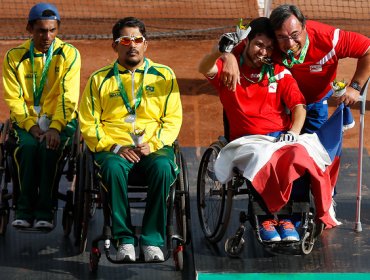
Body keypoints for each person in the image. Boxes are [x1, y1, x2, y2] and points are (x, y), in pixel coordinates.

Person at [79, 17, 182, 262]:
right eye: (125, 40)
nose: (132, 44)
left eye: (138, 39)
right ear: (115, 46)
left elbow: (173, 119)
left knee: (164, 167)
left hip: (153, 148)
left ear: (146, 44)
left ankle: (152, 240)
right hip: (113, 149)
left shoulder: (163, 75)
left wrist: (154, 144)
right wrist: (114, 147)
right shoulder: (99, 79)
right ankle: (124, 239)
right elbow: (88, 122)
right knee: (113, 169)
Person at [198, 17, 306, 242]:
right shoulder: (229, 72)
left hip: (280, 138)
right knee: (261, 158)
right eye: (259, 44)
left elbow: (298, 106)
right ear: (246, 42)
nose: (263, 52)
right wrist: (222, 53)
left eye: (268, 48)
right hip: (247, 143)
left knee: (300, 155)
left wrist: (294, 133)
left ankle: (288, 219)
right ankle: (265, 218)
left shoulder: (279, 72)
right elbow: (204, 67)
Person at [221, 4, 370, 133]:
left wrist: (356, 86)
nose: (290, 43)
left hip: (315, 102)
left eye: (295, 35)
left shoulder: (329, 39)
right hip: (278, 105)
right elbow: (231, 47)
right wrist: (229, 57)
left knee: (315, 151)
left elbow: (368, 50)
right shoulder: (270, 44)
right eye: (282, 37)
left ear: (304, 26)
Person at [2, 3, 81, 229]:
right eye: (41, 30)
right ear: (29, 29)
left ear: (58, 29)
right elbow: (14, 99)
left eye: (52, 30)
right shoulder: (14, 57)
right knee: (27, 149)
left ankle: (45, 211)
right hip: (25, 122)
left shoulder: (70, 54)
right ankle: (24, 210)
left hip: (60, 121)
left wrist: (55, 127)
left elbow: (69, 96)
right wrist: (31, 126)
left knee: (49, 149)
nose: (47, 36)